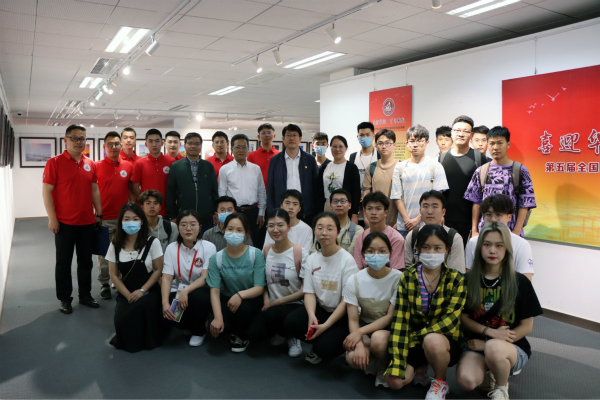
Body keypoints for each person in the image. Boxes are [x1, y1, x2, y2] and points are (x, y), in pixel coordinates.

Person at [456, 222, 542, 400]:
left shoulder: (519, 282)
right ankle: (490, 368)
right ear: (480, 247)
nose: (492, 251)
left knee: (494, 349)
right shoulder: (468, 280)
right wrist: (489, 333)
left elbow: (527, 326)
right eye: (487, 244)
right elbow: (463, 318)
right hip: (476, 343)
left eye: (499, 245)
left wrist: (489, 343)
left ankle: (501, 388)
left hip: (510, 346)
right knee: (467, 381)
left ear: (507, 249)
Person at [385, 225, 466, 399]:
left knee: (432, 341)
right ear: (417, 248)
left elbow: (450, 322)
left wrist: (416, 337)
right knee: (395, 382)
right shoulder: (408, 276)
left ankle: (440, 382)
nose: (431, 252)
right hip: (415, 341)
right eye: (426, 247)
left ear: (447, 249)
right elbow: (400, 319)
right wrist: (397, 362)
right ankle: (420, 366)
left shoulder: (456, 279)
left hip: (443, 341)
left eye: (438, 248)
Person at [284, 212, 359, 364]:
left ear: (338, 232)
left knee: (324, 349)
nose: (324, 232)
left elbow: (346, 301)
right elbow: (309, 293)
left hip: (343, 314)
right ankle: (321, 338)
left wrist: (325, 326)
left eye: (330, 228)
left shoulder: (347, 261)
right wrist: (312, 315)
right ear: (314, 231)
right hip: (322, 309)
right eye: (320, 228)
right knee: (291, 322)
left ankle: (325, 342)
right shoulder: (312, 259)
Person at [42, 124, 102, 314]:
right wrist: (52, 218)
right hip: (64, 223)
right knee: (63, 262)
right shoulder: (54, 162)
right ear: (65, 140)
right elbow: (46, 191)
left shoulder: (90, 163)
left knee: (86, 262)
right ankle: (65, 299)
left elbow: (94, 189)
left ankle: (85, 295)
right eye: (74, 138)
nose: (78, 142)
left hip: (87, 222)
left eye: (82, 138)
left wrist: (99, 213)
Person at [246, 208, 307, 358]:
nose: (275, 230)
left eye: (280, 225)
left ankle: (293, 336)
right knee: (253, 335)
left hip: (294, 304)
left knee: (273, 314)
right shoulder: (267, 250)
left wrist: (277, 302)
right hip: (271, 304)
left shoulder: (300, 252)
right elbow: (263, 281)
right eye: (271, 225)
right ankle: (280, 331)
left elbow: (306, 289)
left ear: (288, 227)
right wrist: (267, 300)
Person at [343, 232, 402, 387]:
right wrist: (359, 344)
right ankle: (372, 357)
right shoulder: (354, 280)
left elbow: (389, 317)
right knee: (352, 358)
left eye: (382, 251)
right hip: (365, 327)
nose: (376, 255)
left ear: (390, 253)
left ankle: (384, 365)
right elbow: (353, 318)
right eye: (370, 251)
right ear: (363, 254)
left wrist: (358, 333)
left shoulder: (398, 279)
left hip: (388, 330)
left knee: (378, 340)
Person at [106, 202, 163, 353]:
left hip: (149, 290)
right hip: (126, 291)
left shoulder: (152, 242)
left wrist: (142, 291)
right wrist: (127, 295)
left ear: (142, 221)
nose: (131, 222)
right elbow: (114, 275)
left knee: (143, 307)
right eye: (126, 219)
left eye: (135, 219)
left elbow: (158, 270)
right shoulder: (115, 245)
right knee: (121, 319)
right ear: (121, 221)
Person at [207, 213, 266, 353]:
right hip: (227, 299)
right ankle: (233, 328)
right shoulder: (216, 258)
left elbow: (259, 288)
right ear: (223, 230)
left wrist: (240, 295)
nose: (234, 233)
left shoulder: (255, 254)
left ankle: (241, 335)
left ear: (246, 234)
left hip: (250, 299)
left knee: (244, 312)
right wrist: (218, 317)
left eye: (239, 230)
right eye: (230, 229)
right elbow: (214, 291)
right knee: (217, 327)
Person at [465, 127, 536, 239]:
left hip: (510, 232)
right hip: (485, 231)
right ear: (487, 145)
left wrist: (516, 231)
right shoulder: (481, 171)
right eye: (492, 143)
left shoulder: (520, 170)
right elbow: (476, 202)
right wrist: (474, 230)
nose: (495, 147)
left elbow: (525, 203)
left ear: (508, 144)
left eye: (500, 143)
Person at [162, 210, 217, 347]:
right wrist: (165, 303)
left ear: (199, 226)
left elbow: (205, 277)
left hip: (200, 290)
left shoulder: (208, 247)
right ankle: (189, 325)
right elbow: (167, 278)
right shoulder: (171, 248)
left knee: (199, 298)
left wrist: (186, 291)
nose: (188, 228)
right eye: (184, 224)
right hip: (178, 289)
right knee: (167, 315)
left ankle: (199, 331)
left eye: (193, 224)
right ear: (178, 227)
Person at [391, 124, 449, 239]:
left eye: (420, 140)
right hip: (405, 226)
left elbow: (437, 198)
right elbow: (397, 197)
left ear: (427, 143)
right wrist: (407, 221)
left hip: (428, 225)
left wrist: (418, 219)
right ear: (407, 143)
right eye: (412, 141)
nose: (415, 144)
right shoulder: (400, 167)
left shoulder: (435, 166)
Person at [95, 131, 134, 300]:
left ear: (121, 146)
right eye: (110, 144)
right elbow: (92, 192)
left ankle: (120, 281)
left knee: (124, 251)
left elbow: (131, 191)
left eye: (117, 144)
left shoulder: (128, 166)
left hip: (123, 219)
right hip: (103, 218)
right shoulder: (96, 166)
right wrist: (96, 214)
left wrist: (133, 213)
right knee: (104, 253)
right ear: (104, 146)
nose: (113, 147)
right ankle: (104, 283)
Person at [439, 115, 488, 247]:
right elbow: (439, 191)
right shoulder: (442, 158)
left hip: (469, 221)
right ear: (451, 132)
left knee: (466, 256)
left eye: (465, 131)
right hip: (446, 219)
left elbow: (482, 193)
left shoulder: (479, 158)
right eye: (457, 130)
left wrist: (475, 227)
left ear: (471, 135)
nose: (461, 134)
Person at [465, 195, 534, 280]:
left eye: (498, 215)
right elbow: (469, 278)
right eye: (488, 215)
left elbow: (526, 281)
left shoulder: (522, 245)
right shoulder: (473, 242)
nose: (493, 219)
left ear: (509, 217)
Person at [219, 133, 266, 247]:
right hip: (234, 212)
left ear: (248, 149)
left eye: (244, 147)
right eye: (237, 147)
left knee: (253, 243)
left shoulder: (256, 169)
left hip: (253, 212)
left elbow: (261, 192)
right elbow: (222, 194)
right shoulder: (225, 169)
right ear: (231, 149)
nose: (241, 150)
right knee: (233, 242)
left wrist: (261, 213)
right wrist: (224, 215)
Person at [167, 132, 218, 235]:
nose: (193, 146)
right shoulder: (176, 166)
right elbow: (171, 193)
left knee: (205, 242)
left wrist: (214, 212)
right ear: (185, 145)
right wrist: (173, 216)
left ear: (201, 146)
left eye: (197, 143)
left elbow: (214, 191)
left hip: (206, 217)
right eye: (190, 143)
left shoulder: (208, 166)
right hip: (184, 216)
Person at [266, 124, 319, 224]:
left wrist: (316, 211)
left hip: (305, 210)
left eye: (294, 135)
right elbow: (270, 188)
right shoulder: (275, 160)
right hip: (282, 209)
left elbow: (315, 187)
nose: (291, 138)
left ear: (300, 139)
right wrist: (270, 212)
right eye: (288, 135)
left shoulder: (309, 160)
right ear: (283, 139)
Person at [404, 191, 466, 273]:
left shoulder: (454, 238)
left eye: (435, 207)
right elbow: (408, 269)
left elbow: (457, 273)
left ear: (443, 212)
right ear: (420, 211)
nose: (430, 211)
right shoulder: (412, 235)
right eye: (425, 206)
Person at [353, 191, 405, 270]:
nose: (373, 212)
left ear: (385, 213)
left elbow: (397, 271)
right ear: (365, 213)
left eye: (378, 209)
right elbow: (358, 268)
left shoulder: (396, 238)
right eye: (369, 208)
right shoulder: (360, 238)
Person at [315, 135, 361, 222]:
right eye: (334, 146)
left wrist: (354, 214)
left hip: (344, 206)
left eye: (340, 146)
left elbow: (356, 193)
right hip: (327, 206)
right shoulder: (325, 167)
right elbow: (318, 193)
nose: (337, 149)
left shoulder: (351, 168)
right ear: (330, 148)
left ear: (346, 148)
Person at [130, 129, 173, 217]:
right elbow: (135, 187)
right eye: (150, 141)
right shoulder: (139, 163)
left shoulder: (171, 162)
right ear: (146, 144)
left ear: (162, 143)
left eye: (157, 141)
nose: (154, 144)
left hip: (167, 210)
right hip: (146, 212)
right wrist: (145, 201)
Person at [363, 129, 399, 228]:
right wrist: (366, 218)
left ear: (394, 145)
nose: (384, 146)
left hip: (395, 223)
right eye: (380, 143)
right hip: (374, 221)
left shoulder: (401, 167)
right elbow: (366, 195)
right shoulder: (371, 167)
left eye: (388, 143)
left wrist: (400, 222)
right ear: (376, 146)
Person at [310, 189, 364, 255]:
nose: (339, 204)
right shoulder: (322, 228)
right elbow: (314, 251)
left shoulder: (357, 230)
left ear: (349, 205)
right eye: (335, 201)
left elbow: (353, 254)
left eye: (343, 201)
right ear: (331, 206)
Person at [349, 122, 380, 226]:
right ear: (357, 137)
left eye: (367, 134)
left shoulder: (379, 156)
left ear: (373, 136)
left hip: (374, 206)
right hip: (356, 210)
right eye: (361, 135)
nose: (364, 137)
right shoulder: (353, 157)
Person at [264, 190, 313, 254]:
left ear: (299, 208)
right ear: (281, 206)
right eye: (287, 203)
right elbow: (266, 250)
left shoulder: (306, 229)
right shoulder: (273, 226)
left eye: (295, 204)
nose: (291, 207)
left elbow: (306, 254)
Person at [139, 190, 178, 254]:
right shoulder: (137, 227)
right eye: (148, 203)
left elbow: (173, 252)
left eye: (155, 203)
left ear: (160, 207)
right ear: (142, 207)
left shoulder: (171, 227)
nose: (152, 206)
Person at [248, 123, 280, 189]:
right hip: (257, 190)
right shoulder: (252, 155)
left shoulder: (280, 155)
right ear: (258, 137)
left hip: (276, 190)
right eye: (263, 133)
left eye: (269, 132)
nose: (267, 135)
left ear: (274, 136)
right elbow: (248, 175)